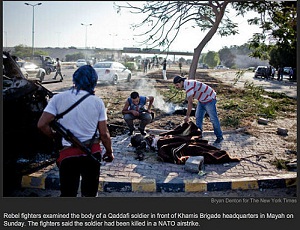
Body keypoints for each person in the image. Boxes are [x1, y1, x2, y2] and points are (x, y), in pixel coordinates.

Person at [37, 65, 114, 197]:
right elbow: (104, 134)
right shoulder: (97, 102)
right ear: (93, 82)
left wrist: (55, 137)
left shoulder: (58, 98)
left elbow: (42, 124)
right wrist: (109, 152)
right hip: (92, 153)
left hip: (67, 154)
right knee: (89, 194)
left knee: (68, 193)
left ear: (75, 79)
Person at [173, 75, 223, 143]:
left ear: (181, 82)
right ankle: (199, 135)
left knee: (213, 119)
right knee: (198, 117)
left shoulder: (188, 85)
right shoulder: (187, 84)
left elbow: (190, 103)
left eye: (177, 85)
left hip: (210, 99)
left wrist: (187, 116)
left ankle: (219, 137)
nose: (177, 87)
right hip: (202, 100)